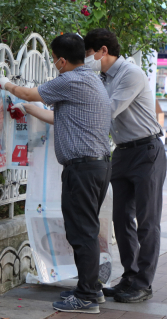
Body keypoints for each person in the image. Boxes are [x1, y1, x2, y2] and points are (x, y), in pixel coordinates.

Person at [0, 33, 112, 313]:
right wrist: (28, 109)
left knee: (81, 231)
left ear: (61, 61)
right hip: (97, 165)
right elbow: (57, 117)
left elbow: (27, 92)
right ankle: (91, 289)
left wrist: (5, 84)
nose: (52, 63)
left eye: (53, 59)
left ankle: (85, 296)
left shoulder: (69, 80)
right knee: (86, 229)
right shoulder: (91, 80)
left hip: (82, 169)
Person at [83, 29, 166, 303]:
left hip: (147, 151)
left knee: (147, 222)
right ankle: (129, 278)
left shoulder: (131, 73)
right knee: (121, 218)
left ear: (102, 51)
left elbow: (107, 110)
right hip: (122, 152)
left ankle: (143, 283)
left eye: (89, 54)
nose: (88, 60)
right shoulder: (102, 77)